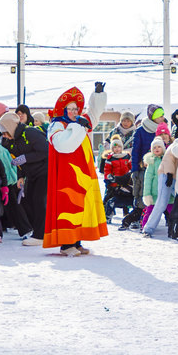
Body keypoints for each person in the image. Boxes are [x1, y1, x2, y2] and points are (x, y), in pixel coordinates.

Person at [44, 83, 108, 255]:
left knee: (82, 207)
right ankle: (67, 245)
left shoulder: (80, 122)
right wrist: (79, 126)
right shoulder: (57, 125)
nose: (73, 112)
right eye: (70, 109)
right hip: (66, 176)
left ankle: (77, 241)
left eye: (75, 109)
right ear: (63, 110)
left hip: (83, 174)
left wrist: (98, 95)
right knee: (68, 206)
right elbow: (64, 145)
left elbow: (93, 113)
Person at [0, 110, 49, 245]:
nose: (5, 136)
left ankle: (40, 235)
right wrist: (20, 176)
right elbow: (17, 159)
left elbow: (46, 150)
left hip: (44, 171)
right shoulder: (12, 140)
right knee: (28, 202)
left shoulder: (30, 133)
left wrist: (26, 158)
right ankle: (37, 231)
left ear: (11, 127)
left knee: (39, 201)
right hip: (31, 174)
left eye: (5, 132)